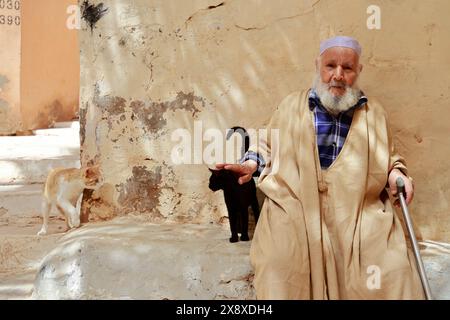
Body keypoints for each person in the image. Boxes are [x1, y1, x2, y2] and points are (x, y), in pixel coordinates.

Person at [215, 36, 425, 299]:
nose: (338, 75)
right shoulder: (291, 105)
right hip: (295, 208)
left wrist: (396, 175)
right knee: (279, 264)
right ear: (318, 66)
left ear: (358, 72)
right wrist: (249, 164)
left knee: (392, 270)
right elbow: (266, 144)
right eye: (330, 66)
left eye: (347, 68)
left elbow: (388, 157)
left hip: (358, 212)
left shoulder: (374, 114)